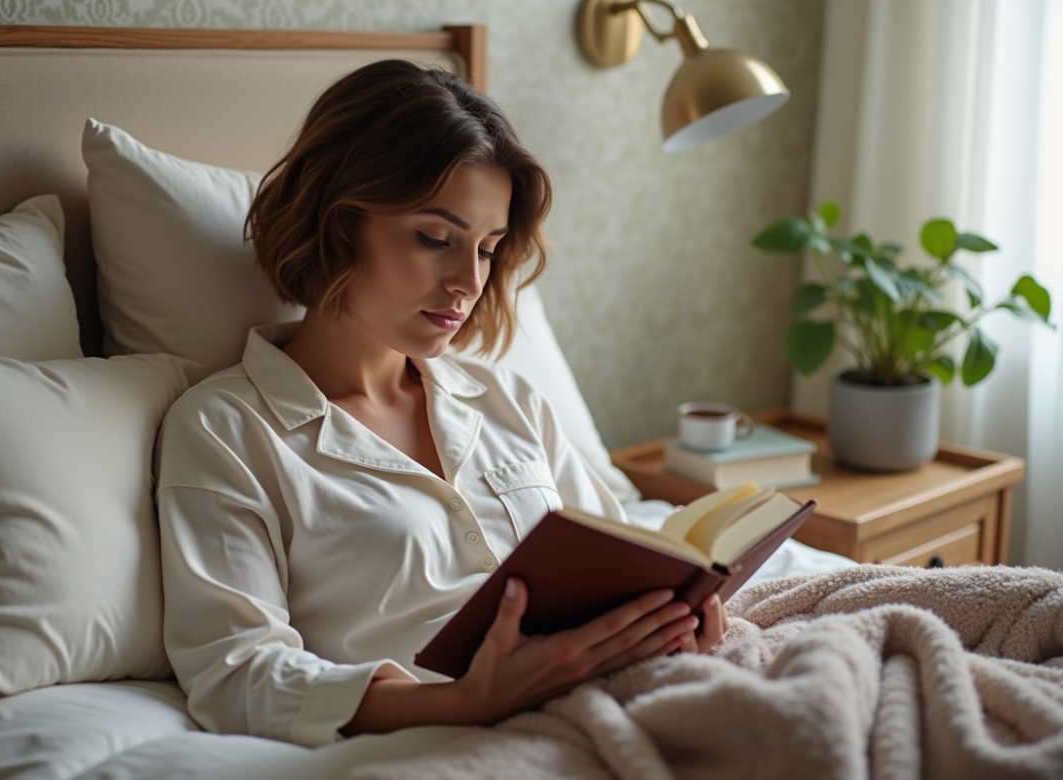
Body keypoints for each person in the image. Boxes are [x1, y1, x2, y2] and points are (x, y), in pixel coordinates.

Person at [155, 59, 728, 749]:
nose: (468, 281)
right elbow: (237, 672)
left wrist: (681, 616)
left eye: (487, 250)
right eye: (435, 239)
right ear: (339, 225)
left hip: (627, 694)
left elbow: (623, 553)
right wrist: (467, 704)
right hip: (459, 741)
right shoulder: (227, 430)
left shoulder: (506, 400)